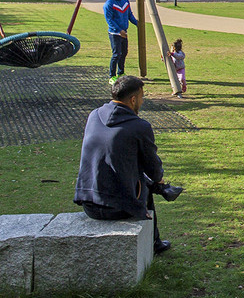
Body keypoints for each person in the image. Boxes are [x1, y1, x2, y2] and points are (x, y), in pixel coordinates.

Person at [74, 76, 183, 255]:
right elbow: (153, 168)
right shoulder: (139, 126)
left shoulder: (94, 115)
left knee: (131, 172)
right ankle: (155, 242)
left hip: (89, 202)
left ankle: (162, 195)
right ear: (133, 99)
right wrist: (159, 180)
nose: (142, 100)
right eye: (142, 97)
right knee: (145, 181)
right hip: (117, 208)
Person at [104, 0, 139, 83]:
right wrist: (119, 30)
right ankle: (112, 76)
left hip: (124, 32)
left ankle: (121, 72)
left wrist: (137, 23)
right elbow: (109, 20)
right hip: (114, 33)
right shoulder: (109, 4)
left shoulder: (125, 2)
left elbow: (129, 15)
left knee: (124, 53)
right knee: (116, 54)